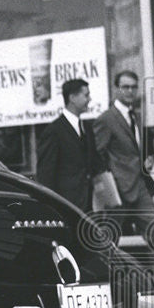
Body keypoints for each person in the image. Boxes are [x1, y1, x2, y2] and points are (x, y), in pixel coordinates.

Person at [94, 69, 154, 295]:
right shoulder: (106, 119)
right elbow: (97, 154)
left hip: (139, 188)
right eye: (125, 87)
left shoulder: (135, 116)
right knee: (107, 242)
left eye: (133, 87)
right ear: (116, 89)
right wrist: (108, 184)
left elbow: (133, 151)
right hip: (118, 192)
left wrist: (146, 160)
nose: (130, 91)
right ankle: (106, 292)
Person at [36, 77, 100, 212]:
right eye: (86, 95)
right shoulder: (54, 131)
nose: (89, 99)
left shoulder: (87, 128)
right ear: (72, 97)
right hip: (66, 206)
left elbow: (93, 163)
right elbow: (46, 174)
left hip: (88, 204)